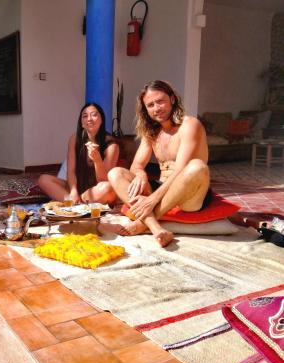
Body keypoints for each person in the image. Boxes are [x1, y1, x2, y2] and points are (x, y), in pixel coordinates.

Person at [102, 80, 210, 247]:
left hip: (189, 193)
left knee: (197, 166)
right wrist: (141, 174)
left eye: (160, 101)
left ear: (172, 99)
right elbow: (136, 165)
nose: (156, 108)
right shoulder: (152, 131)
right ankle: (155, 227)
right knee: (115, 173)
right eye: (150, 105)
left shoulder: (189, 125)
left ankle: (142, 223)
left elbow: (181, 170)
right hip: (161, 186)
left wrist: (152, 200)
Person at [38, 103, 119, 204]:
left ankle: (74, 204)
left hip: (95, 191)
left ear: (101, 120)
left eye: (94, 115)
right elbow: (71, 171)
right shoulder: (75, 139)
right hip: (76, 187)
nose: (89, 119)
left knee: (108, 188)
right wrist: (73, 191)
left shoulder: (111, 146)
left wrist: (97, 160)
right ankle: (75, 202)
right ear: (81, 123)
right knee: (43, 179)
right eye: (85, 116)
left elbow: (103, 180)